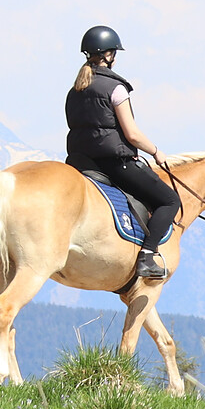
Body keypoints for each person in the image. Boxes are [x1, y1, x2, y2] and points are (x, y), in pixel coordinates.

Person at [65, 26, 180, 283]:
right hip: (113, 164)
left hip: (82, 162)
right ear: (109, 55)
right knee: (170, 200)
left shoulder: (74, 91)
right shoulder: (116, 88)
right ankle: (148, 256)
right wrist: (156, 152)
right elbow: (132, 135)